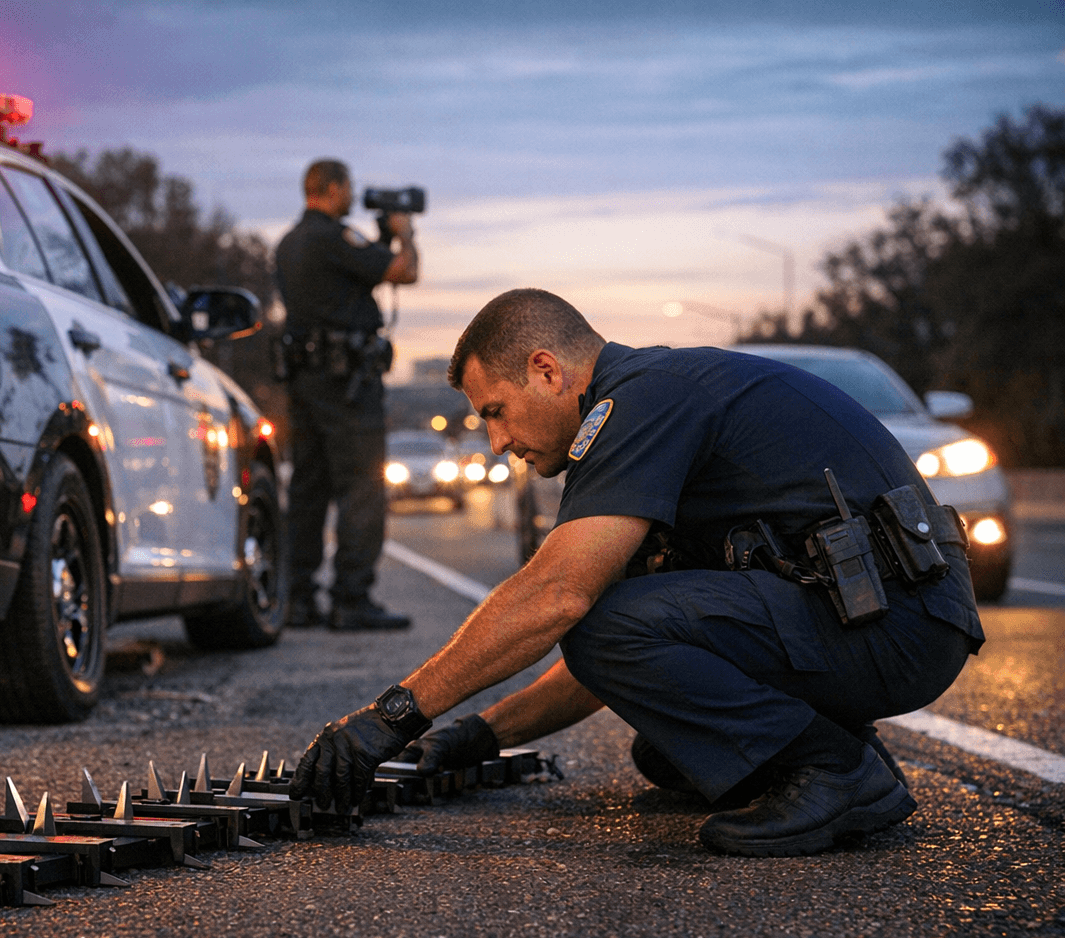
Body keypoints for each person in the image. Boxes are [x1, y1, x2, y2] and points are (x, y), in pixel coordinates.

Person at [292, 288, 984, 856]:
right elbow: (616, 652)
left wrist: (388, 720)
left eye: (495, 413)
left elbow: (560, 601)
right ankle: (844, 754)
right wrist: (480, 735)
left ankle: (836, 771)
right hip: (890, 619)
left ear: (545, 370)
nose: (498, 442)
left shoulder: (640, 403)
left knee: (607, 633)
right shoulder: (654, 396)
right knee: (671, 751)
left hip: (897, 622)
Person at [274, 159, 420, 631]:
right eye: (349, 188)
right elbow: (403, 271)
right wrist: (404, 233)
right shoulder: (332, 238)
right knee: (362, 488)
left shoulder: (291, 243)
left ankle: (298, 597)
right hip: (348, 386)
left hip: (305, 382)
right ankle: (351, 598)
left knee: (308, 489)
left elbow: (353, 277)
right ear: (332, 189)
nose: (353, 196)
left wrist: (375, 241)